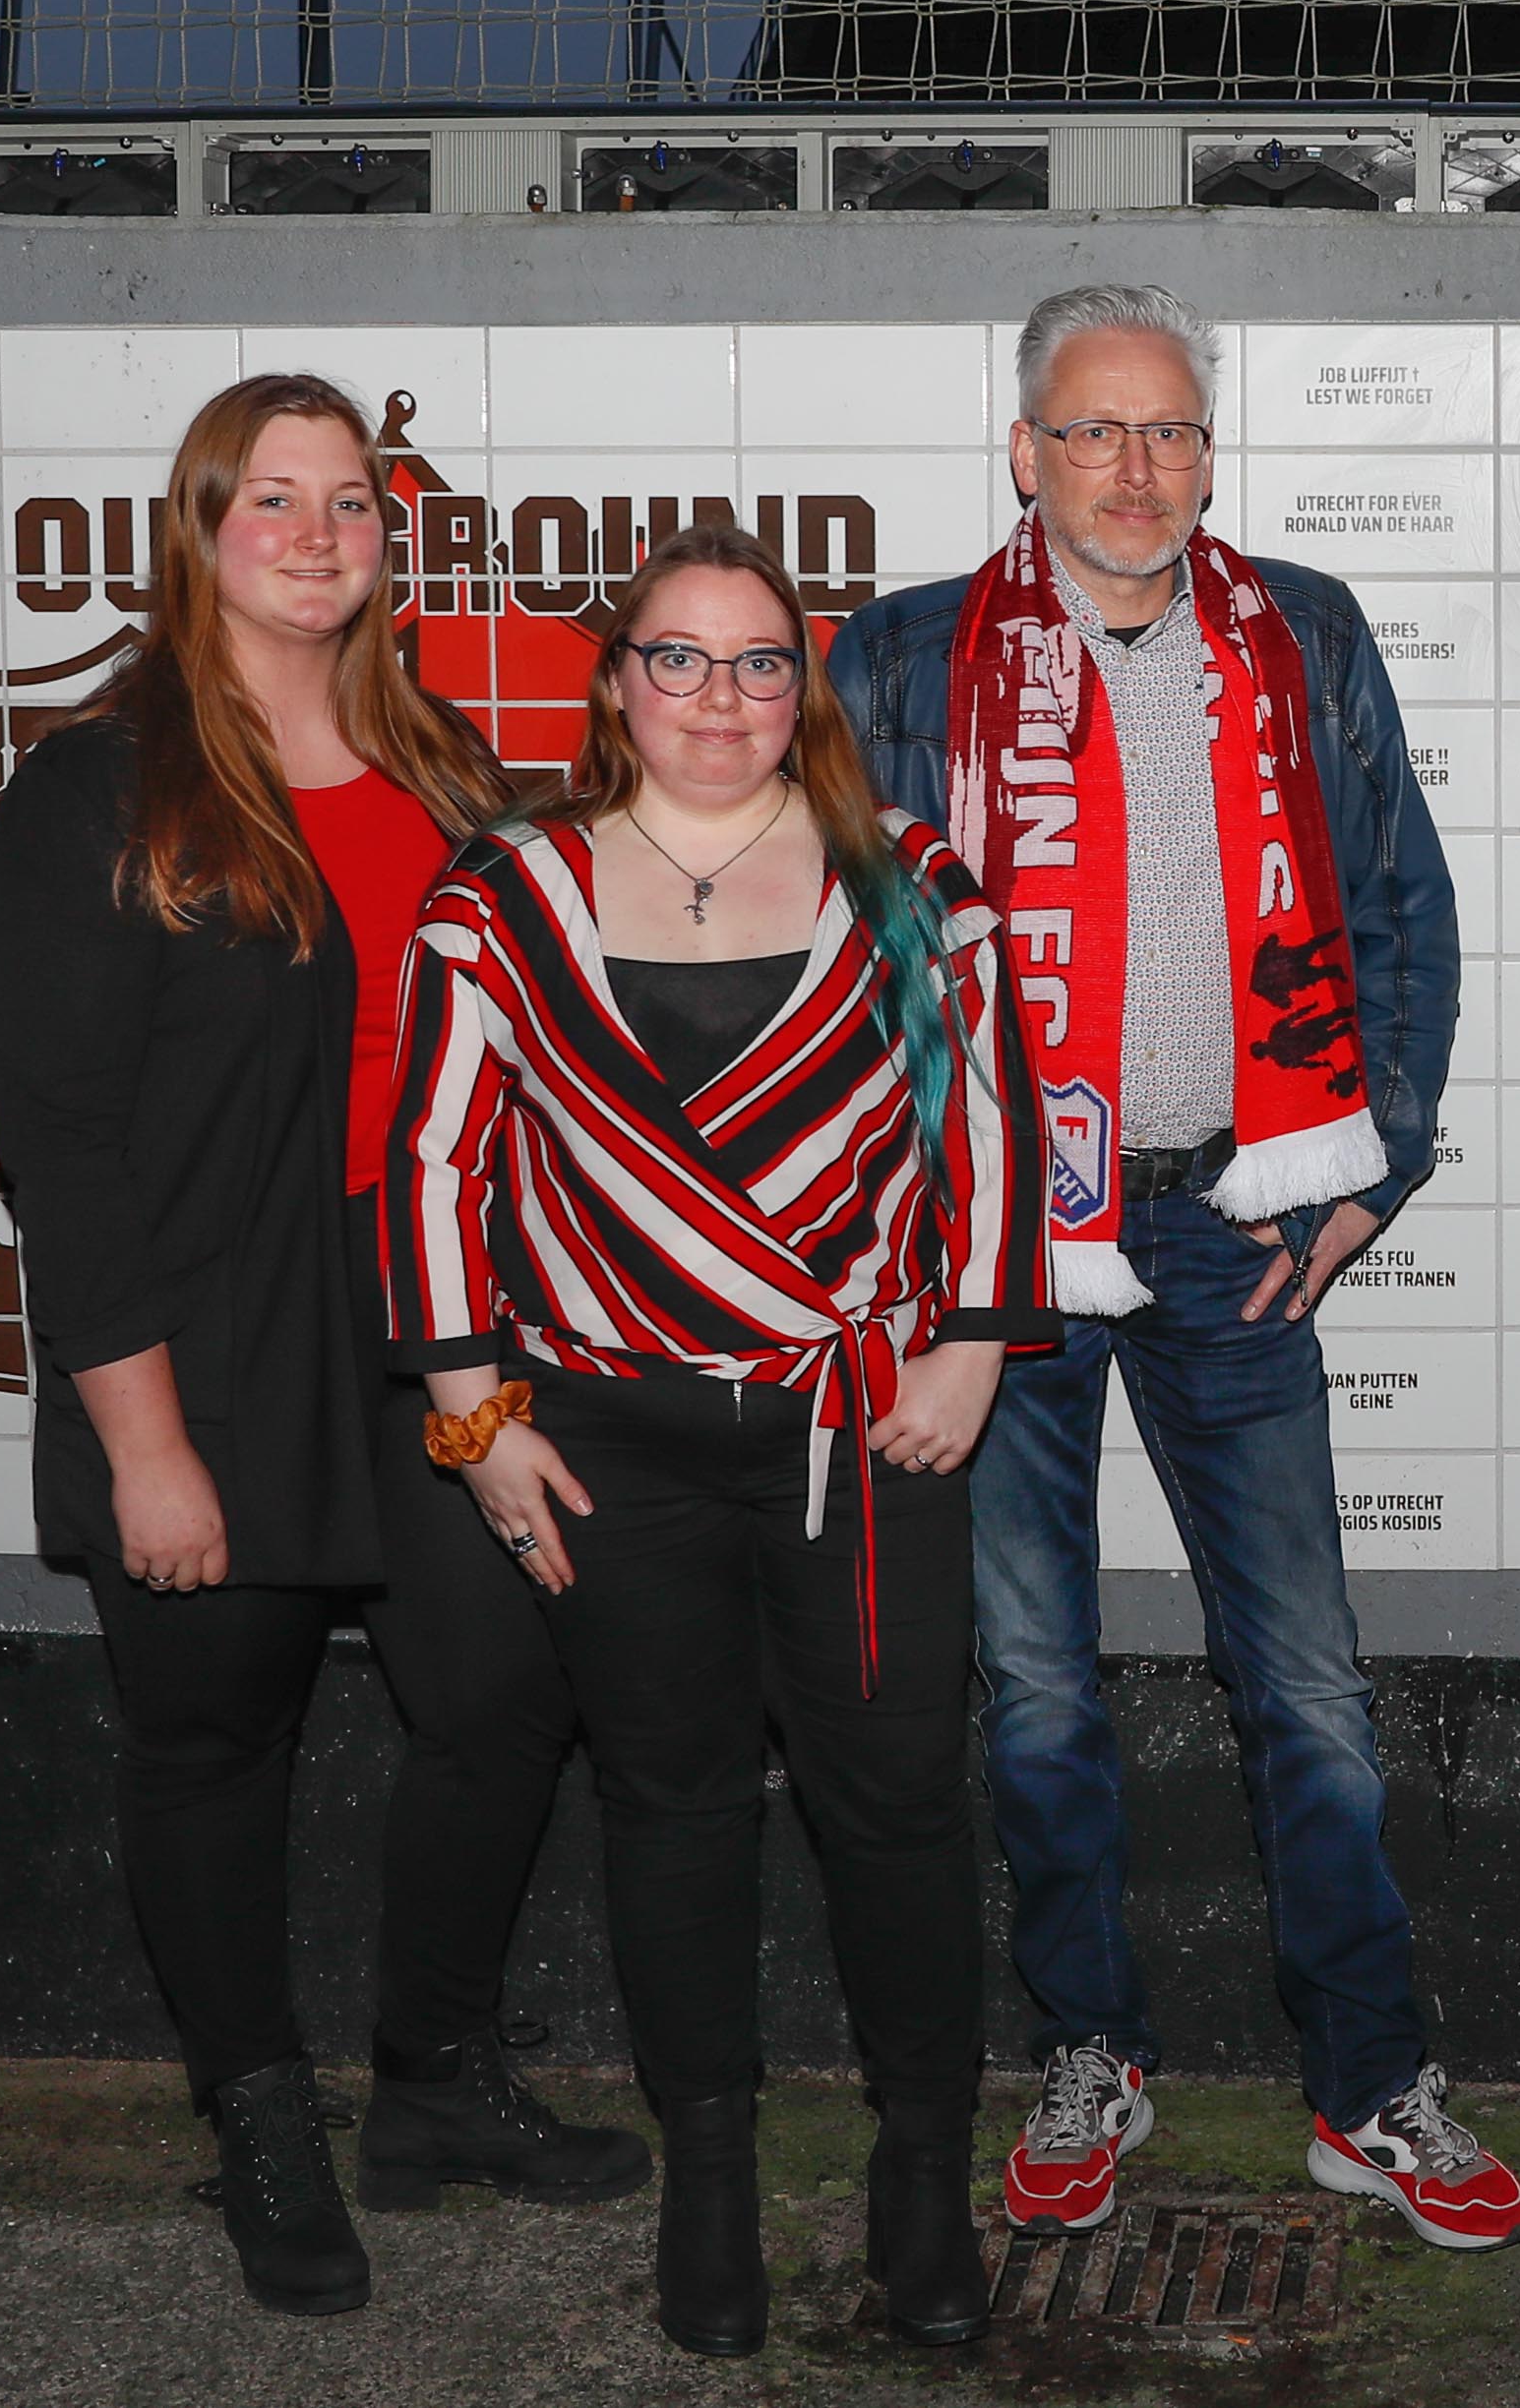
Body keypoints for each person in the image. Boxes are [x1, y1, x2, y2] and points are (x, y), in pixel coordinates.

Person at [824, 284, 1520, 2253]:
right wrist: (907, 1214)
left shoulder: (1298, 628)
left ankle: (1368, 2080)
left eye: (1171, 433)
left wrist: (1370, 1166)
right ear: (1028, 454)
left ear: (1206, 454)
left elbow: (1402, 899)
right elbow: (844, 951)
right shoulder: (899, 658)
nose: (1135, 468)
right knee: (1037, 1681)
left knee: (1304, 1677)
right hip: (998, 1239)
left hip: (1238, 1212)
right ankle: (1091, 2047)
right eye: (1095, 432)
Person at [0, 374, 643, 2319]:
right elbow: (67, 1151)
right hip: (208, 1343)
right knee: (214, 1746)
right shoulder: (103, 785)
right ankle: (258, 2120)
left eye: (350, 499)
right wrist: (146, 1446)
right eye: (271, 498)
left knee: (513, 1678)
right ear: (199, 528)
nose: (318, 530)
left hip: (437, 1331)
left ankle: (431, 2084)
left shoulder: (443, 770)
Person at [386, 523, 1051, 2354]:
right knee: (671, 1808)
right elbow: (433, 1157)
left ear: (802, 689)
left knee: (898, 1808)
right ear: (616, 684)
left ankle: (923, 2183)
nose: (721, 698)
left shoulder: (907, 877)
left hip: (860, 1430)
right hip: (605, 1440)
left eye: (762, 662)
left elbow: (986, 1120)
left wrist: (975, 1346)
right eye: (677, 659)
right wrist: (476, 1424)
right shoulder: (503, 888)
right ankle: (714, 2185)